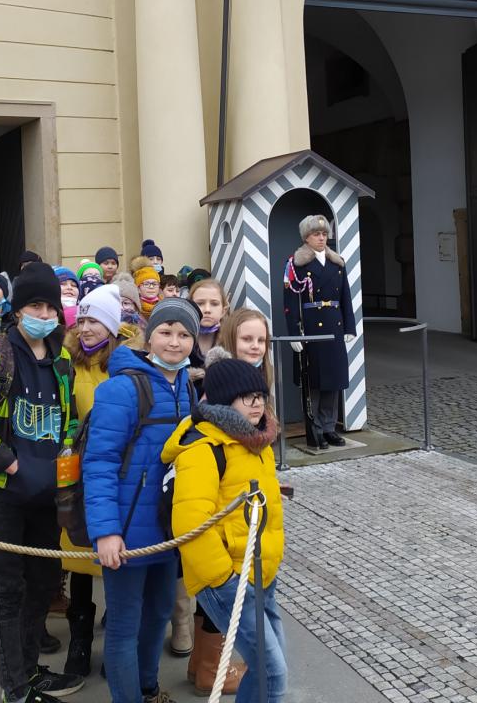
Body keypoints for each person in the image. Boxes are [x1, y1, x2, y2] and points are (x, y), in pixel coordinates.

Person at [0, 262, 83, 701]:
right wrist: (12, 466)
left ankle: (30, 670)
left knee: (43, 581)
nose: (43, 315)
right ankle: (16, 688)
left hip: (47, 491)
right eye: (35, 306)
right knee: (7, 588)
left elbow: (69, 420)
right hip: (1, 490)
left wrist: (64, 458)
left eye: (50, 307)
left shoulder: (62, 358)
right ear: (17, 309)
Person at [84, 297, 197, 703]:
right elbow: (99, 463)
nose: (174, 342)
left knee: (159, 615)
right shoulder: (120, 389)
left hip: (168, 530)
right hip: (127, 531)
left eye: (184, 334)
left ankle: (148, 689)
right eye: (166, 332)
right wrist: (106, 532)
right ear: (149, 338)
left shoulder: (187, 386)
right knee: (124, 625)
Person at [163, 356, 286, 703]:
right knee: (272, 673)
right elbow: (190, 522)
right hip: (229, 578)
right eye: (247, 397)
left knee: (266, 667)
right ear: (223, 400)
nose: (257, 403)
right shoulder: (204, 448)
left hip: (260, 571)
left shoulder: (255, 442)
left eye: (260, 395)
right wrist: (223, 579)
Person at [60, 285, 141, 679]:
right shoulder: (67, 362)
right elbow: (63, 412)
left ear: (111, 325)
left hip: (117, 471)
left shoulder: (126, 363)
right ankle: (79, 640)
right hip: (78, 472)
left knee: (115, 557)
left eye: (94, 320)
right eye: (82, 320)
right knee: (79, 560)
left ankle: (117, 643)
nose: (86, 328)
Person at [283, 215, 354, 450]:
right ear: (306, 237)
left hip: (334, 327)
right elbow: (290, 302)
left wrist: (349, 327)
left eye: (324, 234)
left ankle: (329, 427)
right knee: (313, 381)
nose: (322, 238)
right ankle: (314, 430)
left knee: (333, 380)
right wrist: (294, 333)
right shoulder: (296, 264)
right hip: (311, 328)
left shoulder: (337, 263)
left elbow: (345, 297)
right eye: (316, 234)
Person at [219, 309, 273, 390]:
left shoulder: (262, 377)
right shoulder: (218, 379)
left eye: (261, 340)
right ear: (230, 339)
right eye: (247, 339)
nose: (256, 346)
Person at [189, 279, 229, 362]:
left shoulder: (231, 340)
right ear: (189, 307)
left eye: (214, 304)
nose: (207, 310)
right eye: (200, 303)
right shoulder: (179, 339)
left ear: (223, 311)